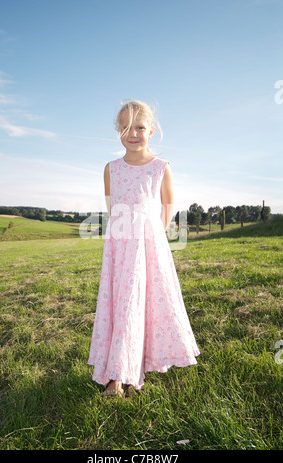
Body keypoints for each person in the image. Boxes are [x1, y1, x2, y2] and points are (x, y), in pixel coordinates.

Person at [87, 100, 200, 397]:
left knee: (141, 306)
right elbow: (114, 210)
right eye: (125, 127)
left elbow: (166, 209)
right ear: (118, 131)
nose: (133, 133)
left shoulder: (161, 168)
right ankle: (117, 376)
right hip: (120, 248)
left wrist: (151, 240)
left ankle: (131, 368)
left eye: (139, 126)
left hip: (149, 248)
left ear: (152, 130)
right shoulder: (111, 169)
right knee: (121, 307)